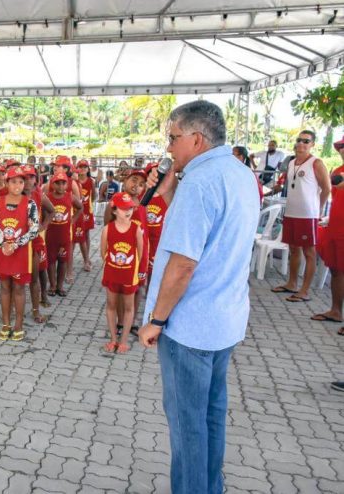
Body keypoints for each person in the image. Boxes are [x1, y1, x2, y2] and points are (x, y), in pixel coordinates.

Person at [137, 100, 259, 494]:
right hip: (223, 320)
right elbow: (208, 233)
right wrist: (171, 193)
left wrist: (156, 319)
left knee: (188, 426)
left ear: (195, 137)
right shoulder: (239, 174)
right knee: (210, 417)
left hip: (189, 328)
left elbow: (184, 264)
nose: (169, 148)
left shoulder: (202, 182)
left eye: (173, 138)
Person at [271, 130, 331, 303]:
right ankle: (291, 283)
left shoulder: (316, 163)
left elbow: (326, 188)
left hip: (308, 215)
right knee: (293, 249)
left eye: (306, 141)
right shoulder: (291, 162)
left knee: (309, 252)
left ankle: (304, 291)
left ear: (312, 144)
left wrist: (318, 209)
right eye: (299, 140)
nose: (301, 144)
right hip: (291, 212)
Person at [0, 166, 39, 341]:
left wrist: (16, 244)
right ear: (7, 183)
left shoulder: (30, 204)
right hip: (2, 251)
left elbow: (34, 229)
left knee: (19, 288)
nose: (17, 185)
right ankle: (5, 323)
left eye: (20, 181)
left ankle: (19, 323)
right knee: (4, 287)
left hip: (21, 252)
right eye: (13, 182)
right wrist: (4, 243)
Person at [102, 192, 144, 354]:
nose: (127, 211)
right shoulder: (107, 229)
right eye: (123, 208)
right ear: (114, 210)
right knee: (111, 305)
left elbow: (140, 253)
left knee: (128, 307)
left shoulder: (136, 229)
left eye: (130, 208)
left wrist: (137, 272)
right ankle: (113, 338)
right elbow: (103, 252)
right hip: (112, 273)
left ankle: (124, 340)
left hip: (129, 275)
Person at [315, 135, 344, 329]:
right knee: (335, 270)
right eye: (340, 146)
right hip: (335, 227)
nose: (342, 149)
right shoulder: (339, 170)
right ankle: (335, 310)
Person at [23, 164, 54, 322]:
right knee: (18, 281)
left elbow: (52, 210)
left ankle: (37, 309)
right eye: (25, 177)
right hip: (18, 243)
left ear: (36, 179)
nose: (28, 180)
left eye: (31, 177)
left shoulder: (38, 195)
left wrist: (44, 226)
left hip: (35, 241)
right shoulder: (13, 195)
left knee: (38, 273)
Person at [45, 172, 82, 297]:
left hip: (64, 235)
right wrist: (45, 222)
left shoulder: (70, 197)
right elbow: (43, 210)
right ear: (52, 184)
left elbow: (80, 207)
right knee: (50, 261)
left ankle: (60, 286)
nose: (61, 186)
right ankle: (52, 285)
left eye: (63, 183)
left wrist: (73, 219)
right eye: (57, 183)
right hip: (50, 235)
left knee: (62, 261)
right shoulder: (48, 197)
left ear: (67, 184)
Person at [74, 160, 97, 272]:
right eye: (80, 167)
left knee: (86, 234)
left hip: (87, 210)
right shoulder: (74, 181)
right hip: (76, 211)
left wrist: (87, 204)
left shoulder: (90, 181)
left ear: (88, 169)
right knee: (74, 235)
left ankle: (86, 259)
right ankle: (70, 260)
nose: (82, 169)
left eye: (85, 167)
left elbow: (94, 196)